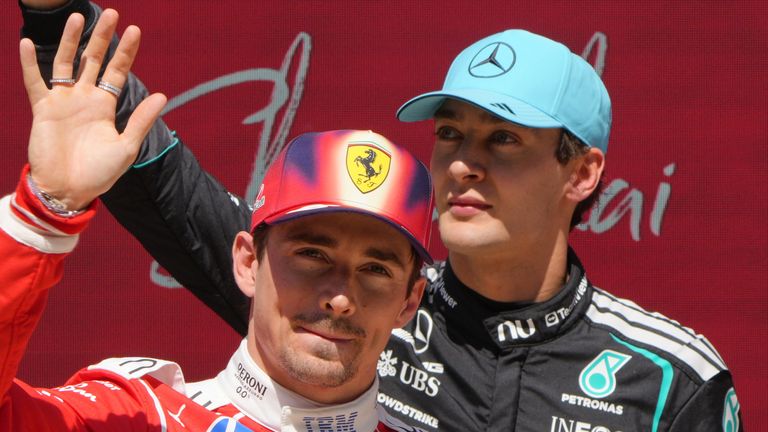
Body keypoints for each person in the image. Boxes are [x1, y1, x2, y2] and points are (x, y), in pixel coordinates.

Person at [17, 1, 743, 431]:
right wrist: (56, 22)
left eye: (503, 140)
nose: (464, 163)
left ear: (582, 173)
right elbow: (165, 187)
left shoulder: (671, 376)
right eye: (450, 134)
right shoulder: (357, 304)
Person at [2, 10, 435, 431]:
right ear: (248, 262)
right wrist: (43, 213)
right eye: (311, 254)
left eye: (376, 269)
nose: (340, 297)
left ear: (409, 301)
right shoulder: (137, 416)